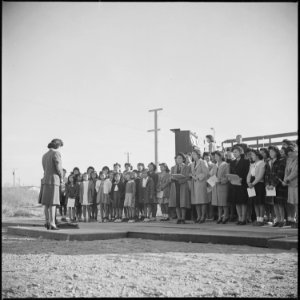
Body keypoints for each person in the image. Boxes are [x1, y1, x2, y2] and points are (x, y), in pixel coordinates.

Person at [41, 138, 64, 230]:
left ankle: (47, 222)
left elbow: (44, 168)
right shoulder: (56, 153)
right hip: (54, 180)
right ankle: (52, 223)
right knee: (53, 203)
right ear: (58, 145)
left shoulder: (44, 155)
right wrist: (62, 177)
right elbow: (58, 167)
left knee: (46, 203)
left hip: (46, 180)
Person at [265, 146, 287, 227]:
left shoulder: (280, 161)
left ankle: (282, 220)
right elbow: (266, 174)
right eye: (270, 152)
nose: (271, 153)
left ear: (276, 152)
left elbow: (280, 174)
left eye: (272, 152)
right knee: (274, 203)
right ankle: (277, 219)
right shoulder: (268, 162)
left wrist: (274, 184)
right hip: (270, 185)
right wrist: (267, 184)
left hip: (278, 186)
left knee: (280, 204)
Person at [228, 146, 250, 225]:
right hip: (234, 184)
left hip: (242, 184)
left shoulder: (245, 161)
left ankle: (243, 219)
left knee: (243, 202)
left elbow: (247, 172)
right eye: (233, 152)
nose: (234, 153)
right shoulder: (232, 162)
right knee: (236, 202)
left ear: (240, 152)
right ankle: (239, 218)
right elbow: (231, 172)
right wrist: (230, 178)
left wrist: (242, 178)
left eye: (236, 152)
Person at [169, 153, 191, 224]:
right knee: (176, 203)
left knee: (183, 202)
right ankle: (179, 218)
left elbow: (187, 177)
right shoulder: (173, 168)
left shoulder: (187, 167)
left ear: (183, 159)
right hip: (175, 186)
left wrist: (180, 180)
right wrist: (172, 178)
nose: (178, 160)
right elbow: (171, 177)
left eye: (180, 158)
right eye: (177, 158)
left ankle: (183, 218)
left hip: (183, 185)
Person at [247, 149, 266, 226]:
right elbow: (249, 174)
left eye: (252, 155)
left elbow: (260, 176)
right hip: (252, 184)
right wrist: (248, 182)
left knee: (260, 202)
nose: (251, 156)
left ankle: (261, 219)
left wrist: (253, 183)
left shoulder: (262, 163)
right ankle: (257, 219)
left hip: (259, 184)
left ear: (257, 155)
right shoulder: (252, 164)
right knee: (255, 202)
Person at [190, 149, 210, 223]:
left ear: (198, 154)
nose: (193, 155)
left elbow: (206, 172)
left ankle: (203, 216)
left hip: (201, 183)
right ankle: (198, 216)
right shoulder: (192, 164)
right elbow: (192, 172)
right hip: (194, 183)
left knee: (202, 200)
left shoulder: (203, 162)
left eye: (194, 154)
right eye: (192, 154)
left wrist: (198, 177)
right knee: (196, 201)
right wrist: (192, 175)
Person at [211, 151, 230, 224]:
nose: (215, 158)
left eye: (217, 156)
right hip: (216, 186)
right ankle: (219, 217)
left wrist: (221, 181)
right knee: (218, 203)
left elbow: (227, 175)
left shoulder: (225, 164)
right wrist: (211, 184)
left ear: (221, 156)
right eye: (214, 156)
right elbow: (212, 175)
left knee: (224, 203)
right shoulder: (215, 165)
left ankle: (225, 216)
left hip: (223, 185)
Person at [283, 145, 298, 228]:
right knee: (293, 203)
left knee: (297, 203)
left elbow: (295, 172)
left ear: (295, 151)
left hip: (296, 184)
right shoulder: (289, 160)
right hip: (290, 185)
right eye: (289, 154)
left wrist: (287, 179)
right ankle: (293, 220)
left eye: (292, 153)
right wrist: (285, 179)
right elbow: (286, 171)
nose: (290, 155)